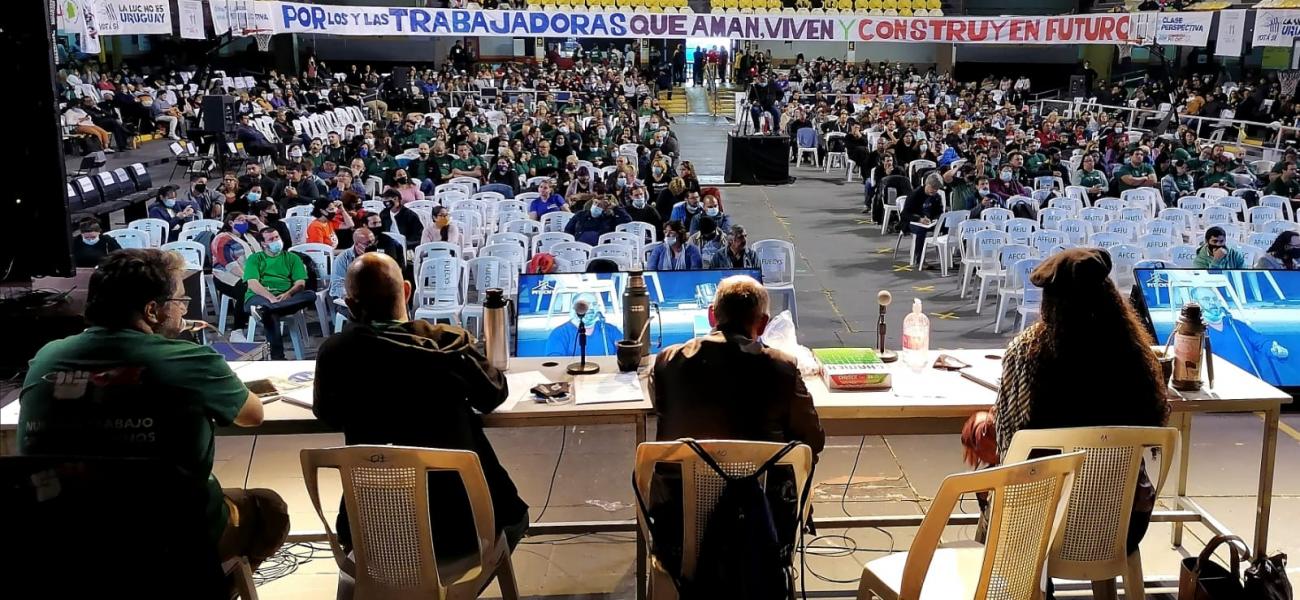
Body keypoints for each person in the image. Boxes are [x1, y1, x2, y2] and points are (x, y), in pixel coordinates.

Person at [18, 249, 289, 567]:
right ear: (152, 310)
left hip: (60, 535)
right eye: (180, 302)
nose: (184, 309)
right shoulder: (190, 359)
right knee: (269, 508)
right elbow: (252, 414)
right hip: (167, 537)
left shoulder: (47, 357)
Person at [314, 252, 528, 560]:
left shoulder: (334, 354)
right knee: (515, 517)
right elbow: (492, 396)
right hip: (464, 527)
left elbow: (329, 416)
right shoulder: (450, 344)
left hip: (373, 529)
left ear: (350, 305)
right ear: (406, 290)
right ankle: (455, 589)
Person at [961, 248, 1168, 564]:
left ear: (1050, 305)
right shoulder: (1138, 358)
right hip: (1121, 527)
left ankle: (1016, 584)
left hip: (1039, 528)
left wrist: (984, 422)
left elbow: (1008, 453)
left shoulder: (1026, 354)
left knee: (1007, 488)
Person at [650, 275, 825, 455]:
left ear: (711, 315)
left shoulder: (668, 361)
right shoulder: (782, 367)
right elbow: (813, 441)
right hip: (762, 482)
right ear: (763, 323)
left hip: (681, 482)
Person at [242, 228, 318, 360]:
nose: (276, 241)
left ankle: (265, 310)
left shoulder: (292, 258)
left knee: (310, 294)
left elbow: (300, 283)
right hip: (259, 297)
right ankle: (278, 357)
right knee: (270, 313)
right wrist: (271, 298)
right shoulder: (255, 259)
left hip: (286, 298)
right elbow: (252, 283)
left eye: (277, 237)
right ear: (263, 244)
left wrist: (289, 294)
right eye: (271, 239)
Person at [1190, 286, 1290, 385]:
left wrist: (1275, 350)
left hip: (1251, 383)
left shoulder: (1235, 325)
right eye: (1206, 299)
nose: (1212, 303)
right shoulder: (1193, 331)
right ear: (1195, 303)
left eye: (1215, 299)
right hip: (1221, 386)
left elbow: (1260, 342)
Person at [544, 293, 624, 356]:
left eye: (595, 304)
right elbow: (555, 363)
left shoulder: (610, 330)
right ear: (574, 308)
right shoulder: (560, 333)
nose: (592, 308)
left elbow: (626, 353)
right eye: (586, 304)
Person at [901, 174, 945, 267]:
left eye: (937, 188)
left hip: (929, 222)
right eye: (933, 188)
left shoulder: (936, 196)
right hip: (912, 222)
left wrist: (935, 219)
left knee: (946, 226)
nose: (935, 190)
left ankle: (947, 258)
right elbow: (905, 214)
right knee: (921, 231)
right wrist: (919, 219)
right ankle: (919, 259)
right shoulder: (914, 195)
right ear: (926, 184)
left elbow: (940, 212)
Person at [564, 196, 631, 246]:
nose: (596, 206)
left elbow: (627, 220)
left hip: (601, 249)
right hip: (579, 247)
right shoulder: (581, 214)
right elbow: (568, 230)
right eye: (595, 203)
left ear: (606, 208)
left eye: (600, 205)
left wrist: (616, 208)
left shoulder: (610, 218)